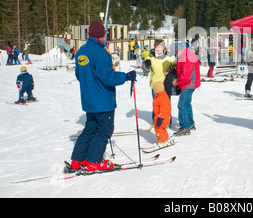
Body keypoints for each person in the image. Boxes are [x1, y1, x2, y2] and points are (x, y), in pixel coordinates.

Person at [70, 20, 137, 172]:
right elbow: (108, 77)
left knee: (90, 129)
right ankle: (94, 161)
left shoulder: (81, 51)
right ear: (102, 35)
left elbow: (79, 75)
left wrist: (90, 84)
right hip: (102, 100)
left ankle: (77, 160)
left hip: (89, 100)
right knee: (104, 130)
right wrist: (126, 76)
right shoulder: (101, 53)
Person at [172, 42, 201, 136]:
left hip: (188, 84)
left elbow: (186, 75)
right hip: (189, 83)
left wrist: (177, 81)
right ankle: (190, 123)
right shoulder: (183, 55)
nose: (174, 55)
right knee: (187, 103)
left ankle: (185, 127)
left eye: (175, 53)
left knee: (182, 104)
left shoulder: (188, 56)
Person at [144, 39, 175, 124]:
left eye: (160, 47)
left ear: (164, 47)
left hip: (166, 84)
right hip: (155, 85)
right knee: (156, 105)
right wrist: (147, 64)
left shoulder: (170, 56)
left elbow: (175, 66)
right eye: (156, 47)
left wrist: (171, 69)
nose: (158, 49)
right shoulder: (151, 56)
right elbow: (146, 69)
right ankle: (156, 121)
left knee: (166, 104)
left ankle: (167, 122)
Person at [152, 81, 174, 148]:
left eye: (154, 90)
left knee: (158, 129)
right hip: (161, 117)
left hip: (161, 118)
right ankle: (166, 139)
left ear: (156, 90)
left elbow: (164, 110)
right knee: (162, 129)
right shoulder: (162, 95)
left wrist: (160, 118)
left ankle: (162, 142)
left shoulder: (161, 99)